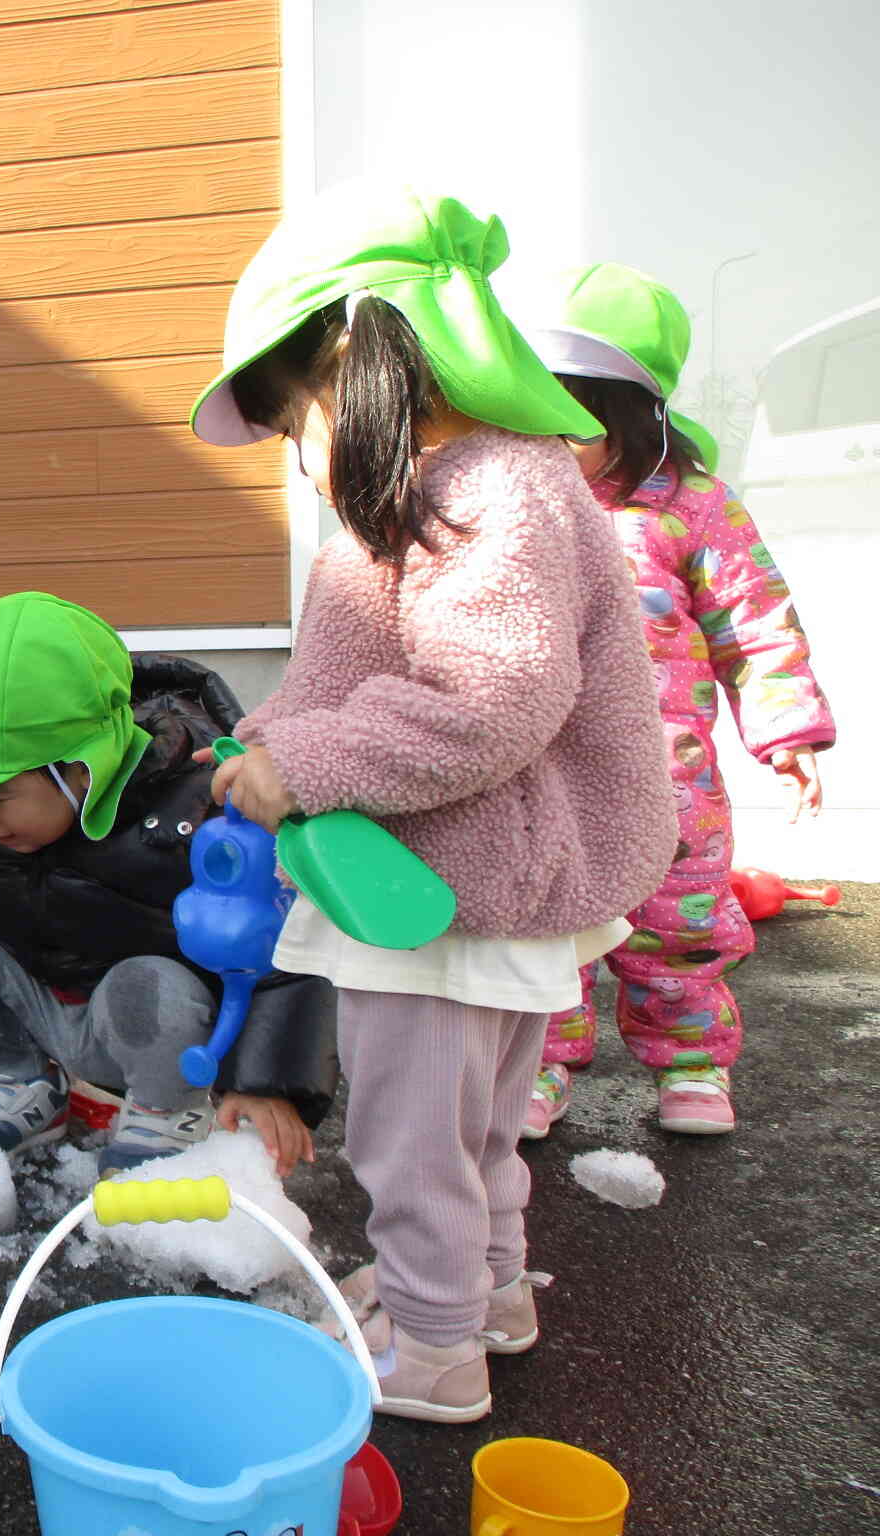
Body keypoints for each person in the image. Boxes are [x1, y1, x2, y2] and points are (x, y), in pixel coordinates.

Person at [186, 186, 672, 1421]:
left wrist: (305, 766)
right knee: (473, 1132)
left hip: (447, 892)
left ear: (352, 362)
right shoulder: (472, 486)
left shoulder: (479, 493)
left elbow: (485, 697)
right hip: (470, 884)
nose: (302, 456)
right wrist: (270, 738)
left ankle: (436, 1347)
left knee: (410, 1140)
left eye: (298, 419)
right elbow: (353, 673)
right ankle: (482, 1293)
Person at [0, 591, 337, 1176]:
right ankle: (22, 1082)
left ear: (79, 772)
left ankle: (167, 1113)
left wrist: (267, 1082)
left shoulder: (189, 820)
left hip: (159, 1037)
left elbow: (277, 950)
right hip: (51, 1008)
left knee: (145, 981)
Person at [516, 262, 835, 1137]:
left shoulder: (692, 508)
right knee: (552, 920)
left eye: (578, 421)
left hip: (670, 779)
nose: (554, 439)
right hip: (552, 769)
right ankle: (539, 1065)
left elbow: (755, 618)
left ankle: (691, 1062)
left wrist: (787, 734)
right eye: (538, 413)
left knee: (679, 924)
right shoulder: (522, 505)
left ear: (631, 416)